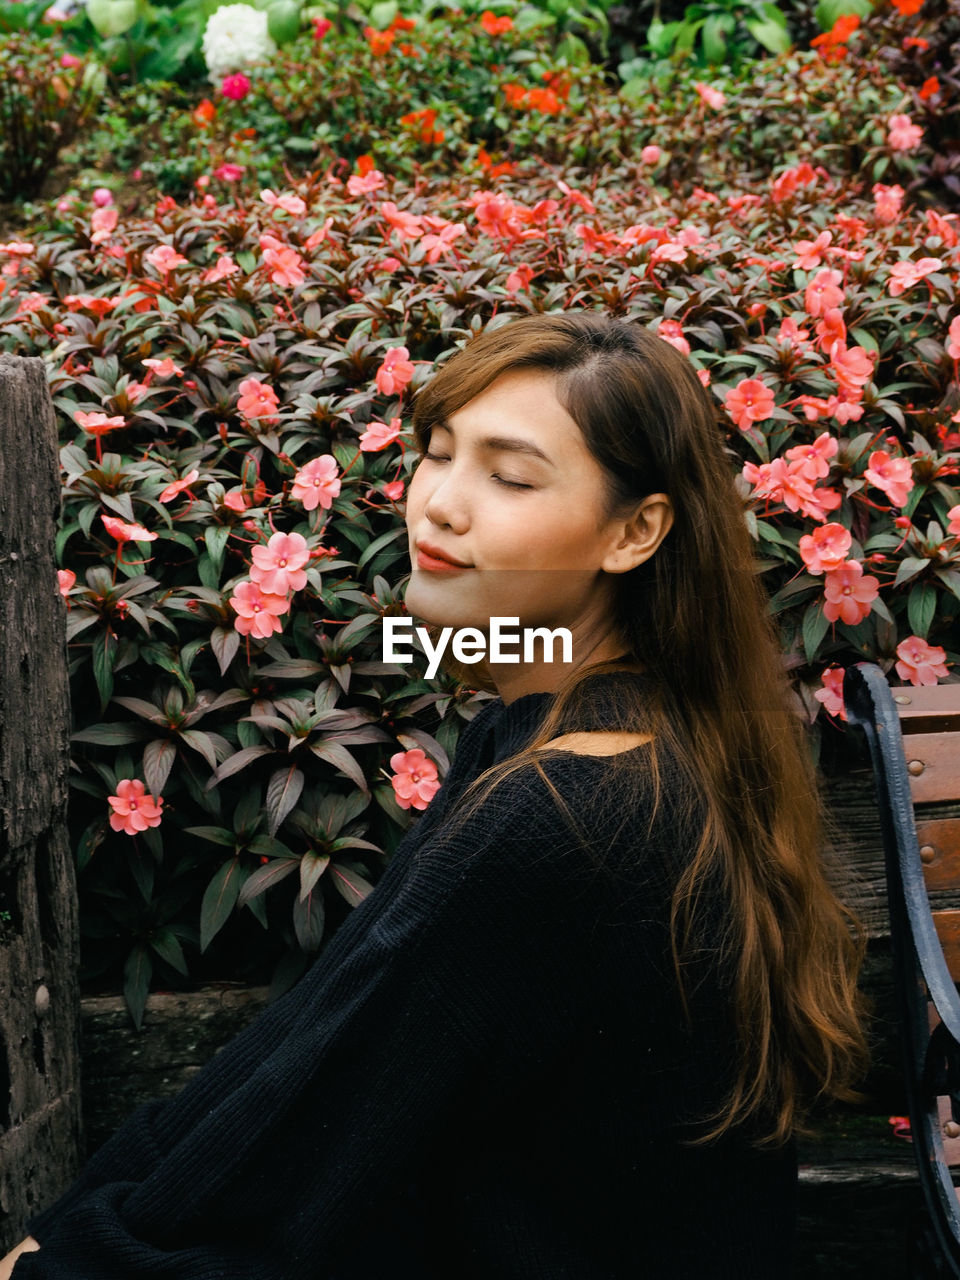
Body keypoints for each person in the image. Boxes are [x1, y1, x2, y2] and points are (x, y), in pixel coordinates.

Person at [2, 312, 868, 1279]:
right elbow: (302, 1054)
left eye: (508, 475)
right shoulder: (623, 730)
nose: (439, 506)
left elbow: (316, 1131)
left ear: (636, 532)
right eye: (438, 453)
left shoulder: (563, 819)